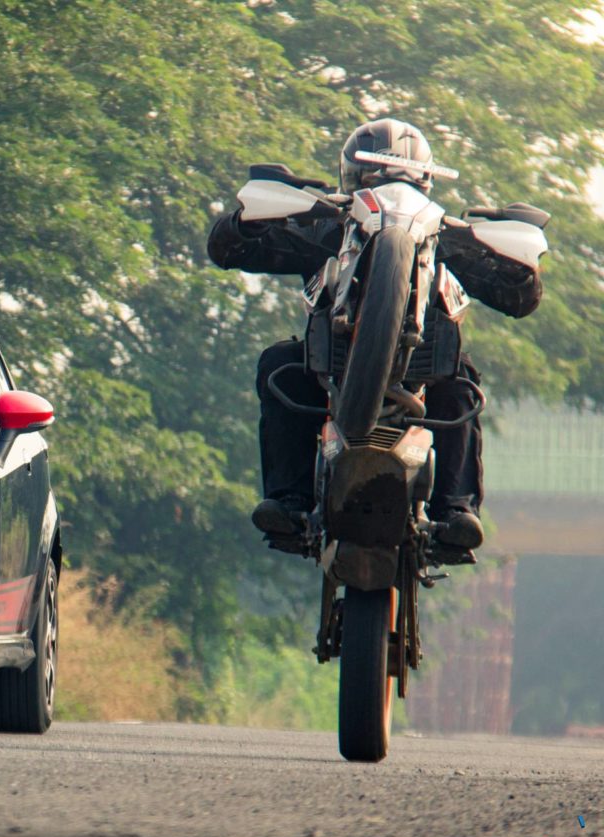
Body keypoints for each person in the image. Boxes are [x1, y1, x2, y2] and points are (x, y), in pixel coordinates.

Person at [207, 118, 543, 552]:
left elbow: (519, 300)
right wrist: (247, 222)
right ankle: (289, 502)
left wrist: (520, 271)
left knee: (461, 379)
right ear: (353, 179)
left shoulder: (447, 240)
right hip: (329, 373)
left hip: (423, 378)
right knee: (281, 363)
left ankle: (456, 512)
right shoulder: (325, 228)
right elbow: (231, 250)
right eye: (377, 178)